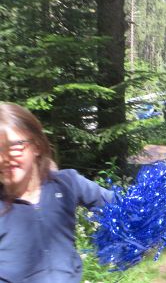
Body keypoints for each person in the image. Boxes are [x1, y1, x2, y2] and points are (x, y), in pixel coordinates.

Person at [0, 102, 113, 283]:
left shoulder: (66, 184)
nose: (2, 159)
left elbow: (121, 207)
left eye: (12, 146)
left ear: (36, 146)